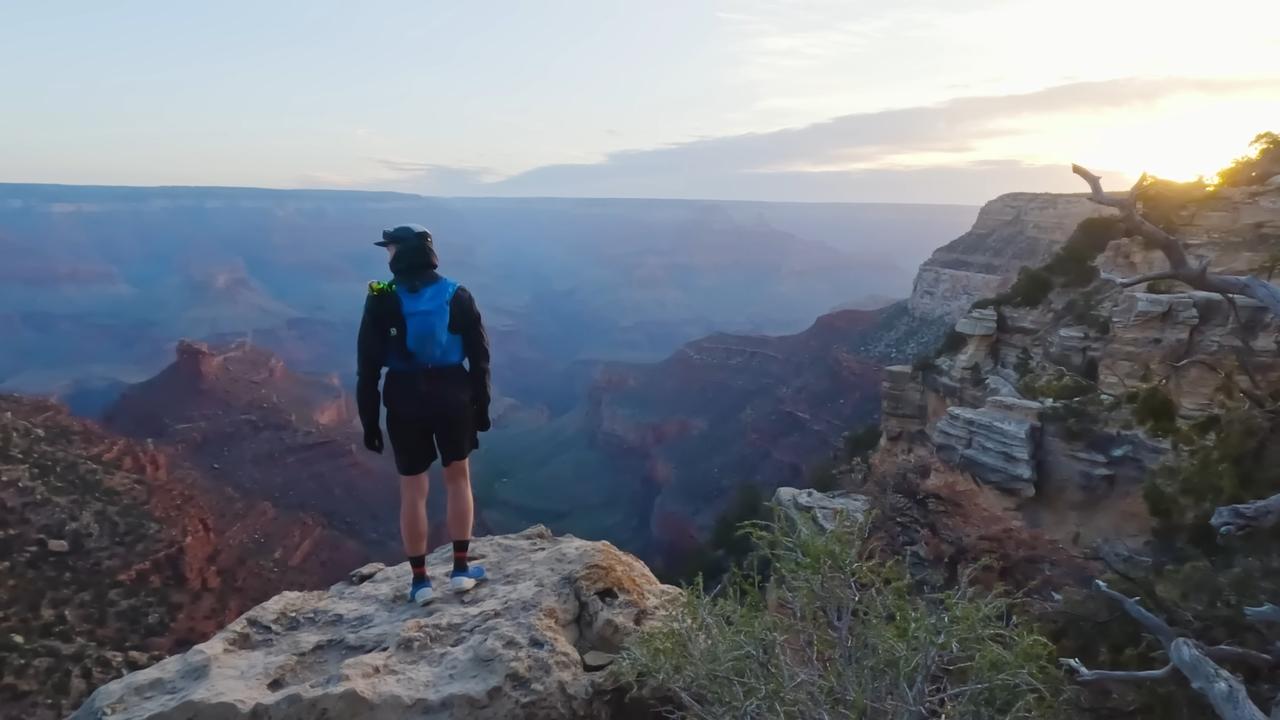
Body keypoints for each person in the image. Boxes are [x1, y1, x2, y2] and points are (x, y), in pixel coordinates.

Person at [356, 223, 492, 605]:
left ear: (402, 252)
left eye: (391, 248)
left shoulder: (381, 298)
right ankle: (462, 571)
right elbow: (480, 358)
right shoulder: (457, 294)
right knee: (458, 479)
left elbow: (367, 366)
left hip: (403, 396)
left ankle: (420, 583)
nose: (387, 254)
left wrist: (369, 419)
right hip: (453, 393)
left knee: (413, 490)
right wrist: (482, 406)